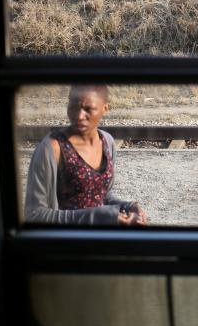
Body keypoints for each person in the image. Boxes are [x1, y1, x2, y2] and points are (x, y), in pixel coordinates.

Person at [24, 85, 148, 225]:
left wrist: (127, 206)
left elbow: (101, 195)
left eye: (88, 109)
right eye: (73, 107)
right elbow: (35, 214)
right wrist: (103, 217)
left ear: (105, 109)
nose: (79, 116)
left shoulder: (107, 142)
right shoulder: (52, 148)